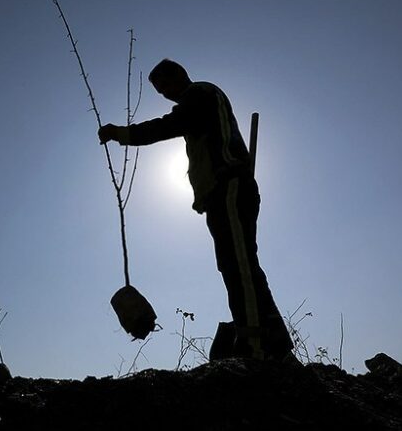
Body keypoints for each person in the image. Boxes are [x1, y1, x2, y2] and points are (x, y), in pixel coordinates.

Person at [98, 59, 294, 361]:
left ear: (179, 76)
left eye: (165, 86)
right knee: (236, 265)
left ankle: (257, 343)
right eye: (160, 92)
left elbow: (169, 125)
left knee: (239, 266)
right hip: (219, 196)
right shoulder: (199, 103)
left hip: (229, 187)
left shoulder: (199, 95)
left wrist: (121, 134)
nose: (165, 95)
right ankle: (269, 336)